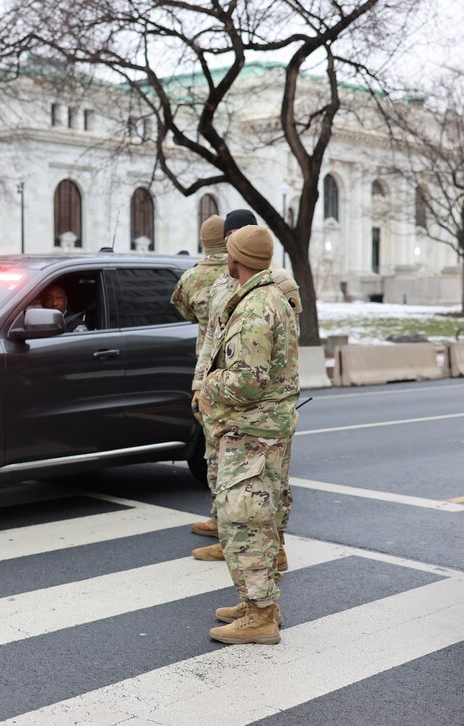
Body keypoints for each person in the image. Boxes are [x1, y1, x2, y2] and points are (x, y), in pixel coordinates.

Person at [198, 224, 299, 645]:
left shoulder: (256, 308)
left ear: (234, 258)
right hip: (262, 429)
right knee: (259, 519)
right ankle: (260, 603)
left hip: (251, 430)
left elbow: (247, 381)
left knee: (245, 522)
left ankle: (260, 617)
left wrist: (207, 385)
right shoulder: (268, 296)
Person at [181, 209, 257, 559]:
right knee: (231, 469)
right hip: (221, 385)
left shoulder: (266, 289)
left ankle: (247, 545)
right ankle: (231, 533)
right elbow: (213, 336)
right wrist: (203, 385)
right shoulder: (225, 284)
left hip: (245, 394)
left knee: (247, 478)